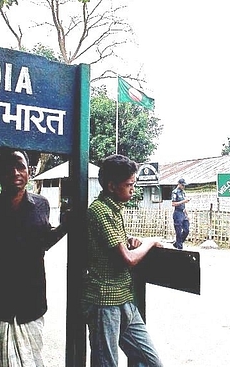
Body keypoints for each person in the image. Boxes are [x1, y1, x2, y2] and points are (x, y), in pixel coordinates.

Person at [0, 149, 68, 366]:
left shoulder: (41, 205)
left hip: (32, 300)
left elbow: (42, 243)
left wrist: (66, 226)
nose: (15, 172)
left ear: (29, 171)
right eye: (7, 168)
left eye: (20, 166)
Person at [82, 154, 163, 367]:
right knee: (106, 363)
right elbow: (127, 259)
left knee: (151, 361)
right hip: (104, 301)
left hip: (123, 297)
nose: (132, 189)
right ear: (111, 186)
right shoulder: (101, 211)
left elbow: (112, 244)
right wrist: (150, 242)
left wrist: (129, 239)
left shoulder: (114, 209)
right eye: (129, 185)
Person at [171, 178, 191, 249]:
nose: (183, 187)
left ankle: (177, 243)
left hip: (183, 212)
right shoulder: (175, 192)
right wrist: (183, 201)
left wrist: (187, 215)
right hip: (177, 213)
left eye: (184, 185)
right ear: (179, 184)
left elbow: (184, 206)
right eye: (182, 185)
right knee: (178, 232)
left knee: (186, 230)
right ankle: (180, 248)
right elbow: (173, 204)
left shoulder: (183, 192)